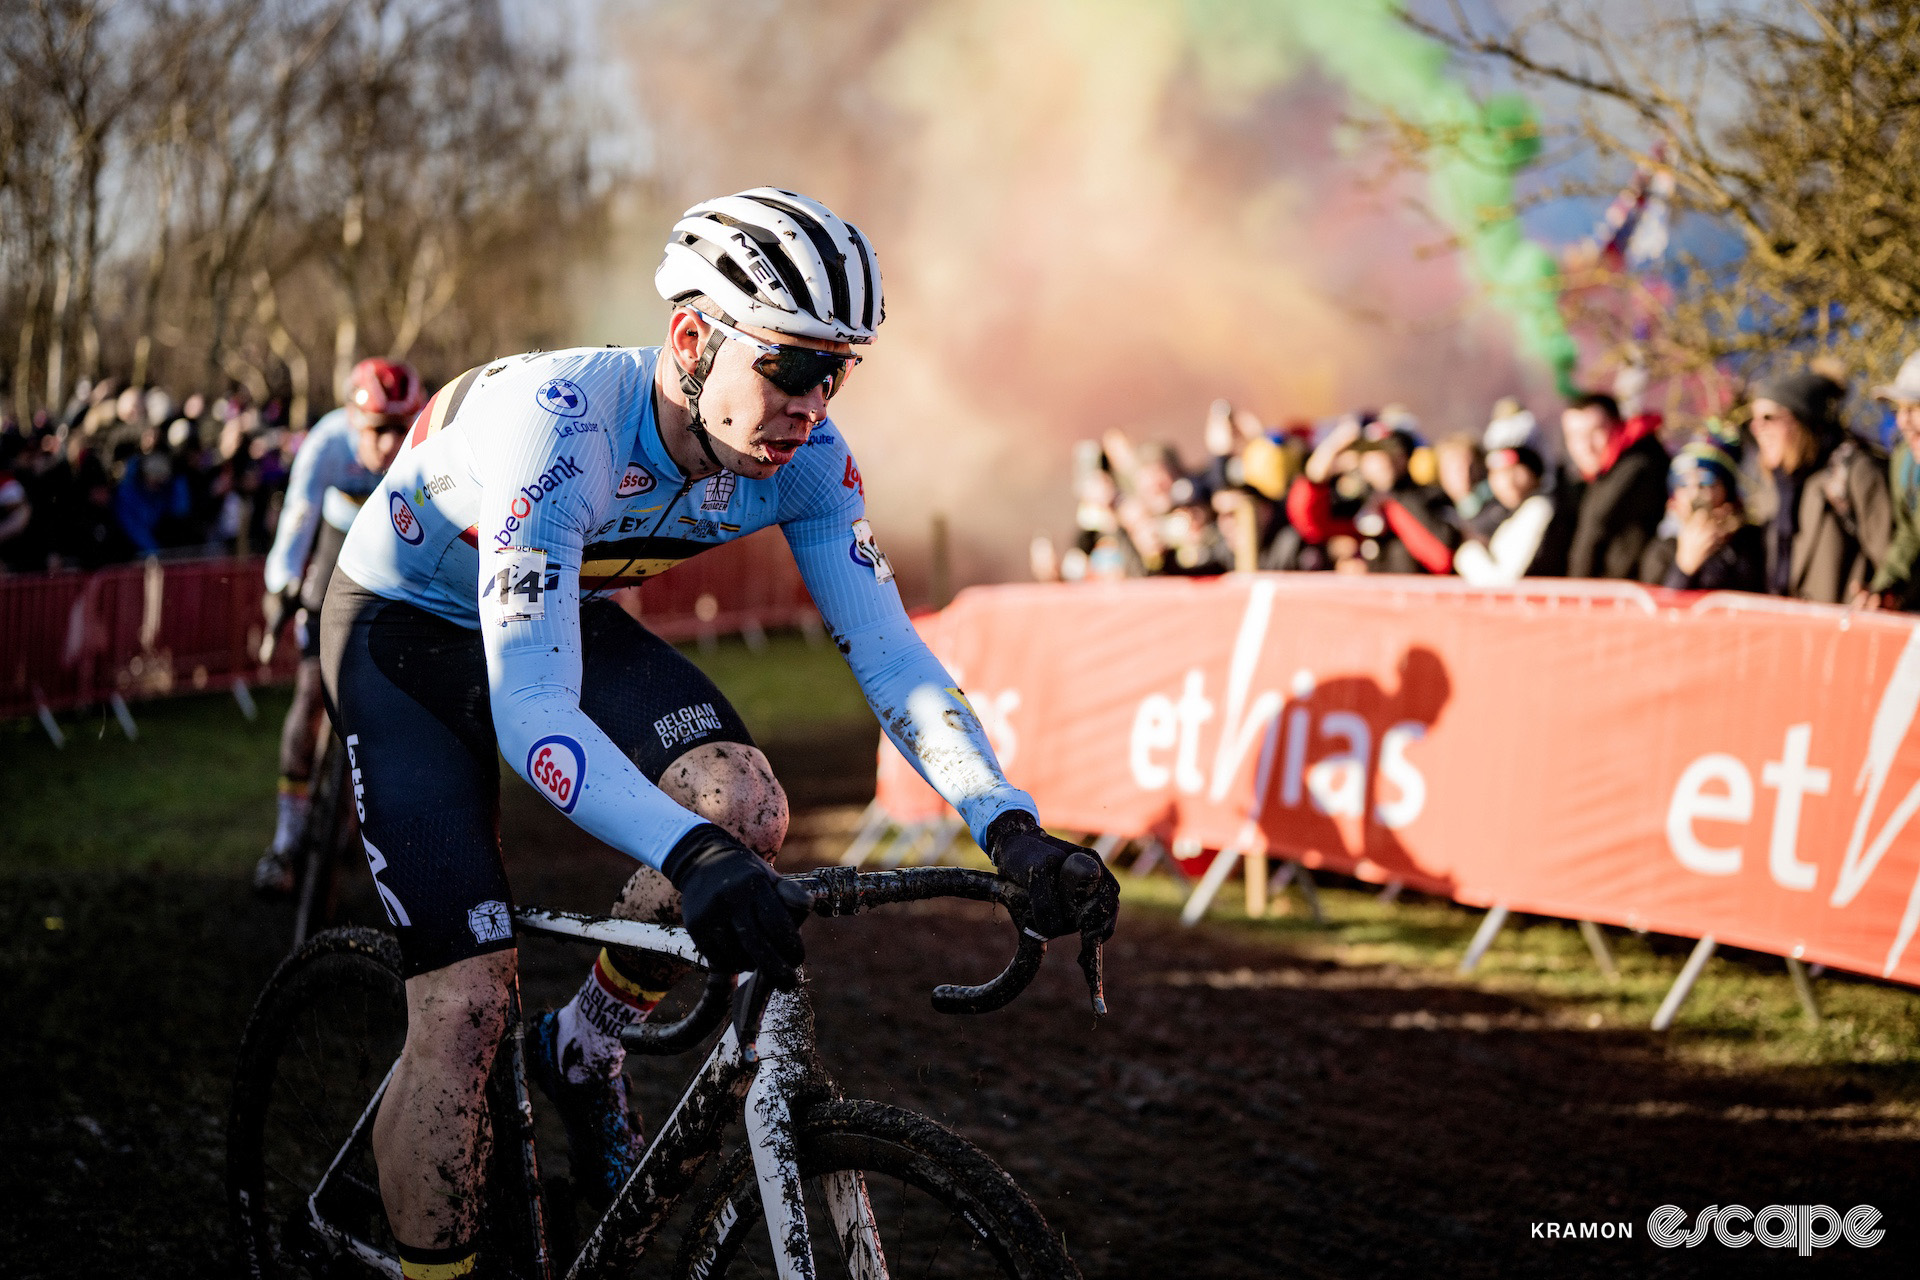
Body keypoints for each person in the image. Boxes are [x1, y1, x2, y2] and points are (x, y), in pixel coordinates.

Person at [320, 188, 1120, 1275]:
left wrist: (1010, 824)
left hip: (560, 610)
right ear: (692, 338)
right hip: (404, 631)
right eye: (790, 365)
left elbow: (891, 657)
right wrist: (687, 857)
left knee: (744, 802)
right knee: (465, 1000)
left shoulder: (812, 463)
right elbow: (535, 712)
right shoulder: (564, 428)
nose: (813, 401)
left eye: (839, 371)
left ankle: (586, 1042)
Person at [251, 358, 424, 895]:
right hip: (332, 558)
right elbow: (297, 519)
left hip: (390, 568)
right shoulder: (326, 444)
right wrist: (281, 585)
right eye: (378, 430)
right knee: (309, 695)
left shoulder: (427, 443)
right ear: (352, 421)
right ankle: (284, 842)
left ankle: (355, 818)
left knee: (374, 711)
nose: (391, 444)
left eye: (402, 427)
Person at [1747, 370, 1893, 604]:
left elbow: (1895, 564)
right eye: (1753, 420)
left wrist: (1881, 594)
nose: (1757, 429)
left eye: (1768, 418)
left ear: (1801, 420)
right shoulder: (1773, 489)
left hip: (1850, 633)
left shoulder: (1855, 473)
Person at [1287, 415, 1459, 574]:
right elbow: (1308, 521)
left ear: (1406, 457)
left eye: (1390, 450)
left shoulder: (1428, 498)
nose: (1382, 460)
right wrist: (1331, 449)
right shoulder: (1358, 502)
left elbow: (1440, 557)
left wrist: (1391, 506)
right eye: (1372, 452)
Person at [1636, 429, 1766, 592]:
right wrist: (1683, 568)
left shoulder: (1750, 541)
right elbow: (1656, 609)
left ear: (1727, 491)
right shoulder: (1662, 550)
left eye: (1706, 483)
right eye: (1684, 484)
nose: (1695, 493)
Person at [1558, 391, 1668, 579]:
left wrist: (1576, 597)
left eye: (1595, 432)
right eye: (1575, 436)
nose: (1586, 446)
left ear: (1618, 426)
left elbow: (1594, 528)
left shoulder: (1637, 465)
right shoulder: (1600, 473)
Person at [1451, 445, 1560, 585]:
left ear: (1533, 473)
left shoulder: (1538, 508)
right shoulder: (1497, 513)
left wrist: (1467, 553)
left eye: (1514, 472)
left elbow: (1501, 581)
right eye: (1498, 474)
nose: (1507, 482)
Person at [1867, 352, 1920, 608]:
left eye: (1914, 408)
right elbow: (1910, 535)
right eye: (1899, 408)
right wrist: (1885, 588)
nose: (1903, 422)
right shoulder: (1906, 463)